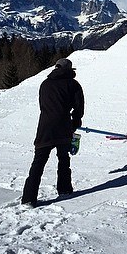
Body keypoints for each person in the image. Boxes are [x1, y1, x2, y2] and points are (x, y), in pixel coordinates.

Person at [21, 57, 85, 207]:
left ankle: (28, 199)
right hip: (63, 127)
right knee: (63, 159)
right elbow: (79, 107)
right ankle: (64, 190)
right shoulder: (73, 84)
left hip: (44, 128)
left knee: (38, 163)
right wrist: (75, 122)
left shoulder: (45, 84)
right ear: (69, 70)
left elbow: (43, 105)